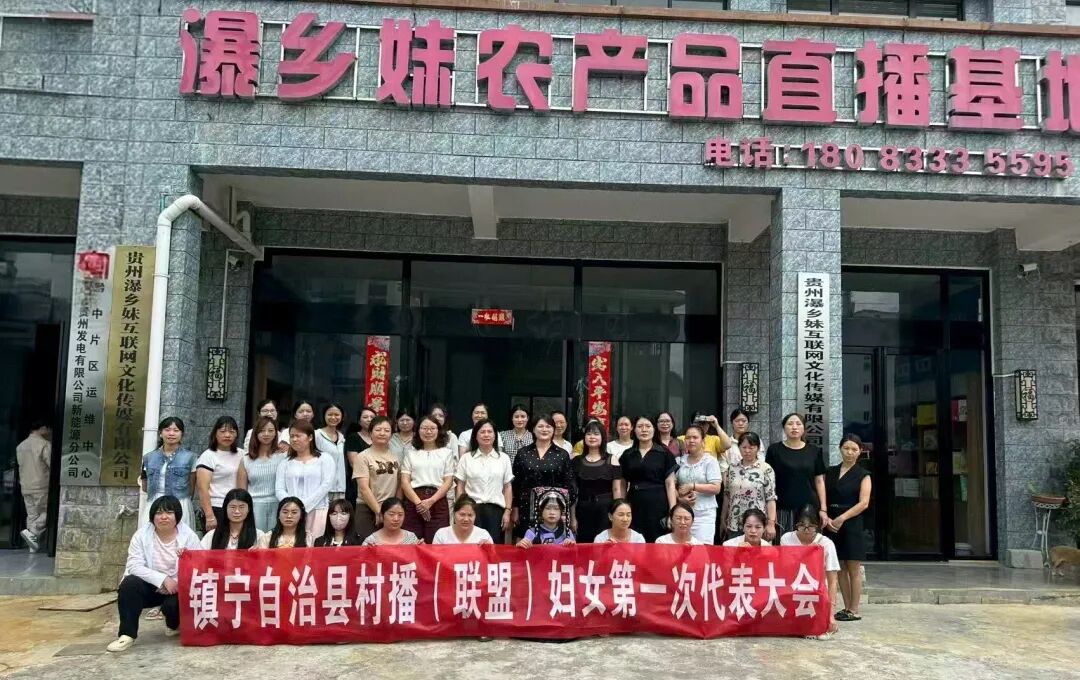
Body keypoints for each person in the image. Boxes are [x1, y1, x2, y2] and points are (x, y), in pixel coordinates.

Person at [106, 495, 202, 652]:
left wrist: (176, 583)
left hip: (177, 588)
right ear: (152, 517)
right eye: (159, 513)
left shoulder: (189, 536)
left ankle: (174, 625)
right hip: (150, 586)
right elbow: (134, 565)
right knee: (129, 585)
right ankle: (126, 635)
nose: (164, 517)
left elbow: (199, 565)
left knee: (172, 606)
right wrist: (163, 580)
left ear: (177, 515)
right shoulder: (141, 535)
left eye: (169, 512)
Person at [826, 433, 872, 623]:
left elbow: (864, 503)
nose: (850, 452)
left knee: (853, 567)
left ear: (860, 451)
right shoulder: (830, 472)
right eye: (846, 448)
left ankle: (854, 609)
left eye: (854, 449)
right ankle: (846, 607)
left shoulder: (863, 474)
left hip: (851, 522)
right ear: (840, 449)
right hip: (832, 523)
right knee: (840, 567)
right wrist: (828, 518)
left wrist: (842, 518)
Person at [511, 414, 576, 541]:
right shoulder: (523, 453)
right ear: (533, 429)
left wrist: (563, 509)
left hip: (553, 510)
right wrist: (515, 508)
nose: (544, 429)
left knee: (552, 546)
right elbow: (516, 483)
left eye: (548, 426)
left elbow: (570, 485)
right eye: (540, 426)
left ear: (553, 429)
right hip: (526, 509)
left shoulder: (562, 455)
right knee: (526, 545)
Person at [780, 504, 840, 634]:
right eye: (802, 525)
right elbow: (785, 569)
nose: (806, 530)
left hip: (817, 592)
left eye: (811, 526)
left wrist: (831, 614)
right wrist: (807, 553)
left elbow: (832, 581)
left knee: (818, 628)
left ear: (817, 526)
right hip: (793, 589)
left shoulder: (826, 544)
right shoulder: (786, 539)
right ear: (796, 524)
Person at [618, 415, 677, 543]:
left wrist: (672, 512)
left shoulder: (664, 453)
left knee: (657, 542)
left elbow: (670, 484)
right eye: (640, 426)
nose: (644, 430)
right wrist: (620, 507)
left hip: (658, 503)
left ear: (654, 429)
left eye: (648, 426)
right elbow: (622, 483)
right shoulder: (627, 455)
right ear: (634, 430)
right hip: (634, 503)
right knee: (634, 542)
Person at [766, 413, 828, 533]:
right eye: (790, 424)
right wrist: (771, 514)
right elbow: (769, 482)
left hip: (809, 507)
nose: (794, 427)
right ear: (784, 428)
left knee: (809, 542)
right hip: (783, 507)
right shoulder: (774, 450)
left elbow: (819, 481)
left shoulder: (814, 451)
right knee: (785, 542)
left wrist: (823, 509)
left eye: (798, 424)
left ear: (804, 428)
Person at [454, 419, 513, 543]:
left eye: (490, 432)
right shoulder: (466, 458)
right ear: (475, 436)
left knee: (494, 548)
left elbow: (507, 487)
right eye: (482, 432)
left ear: (495, 436)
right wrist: (460, 509)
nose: (486, 435)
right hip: (472, 510)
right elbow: (460, 486)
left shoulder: (503, 458)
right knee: (472, 547)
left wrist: (507, 511)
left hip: (496, 511)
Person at [275, 419, 336, 537]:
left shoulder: (324, 458)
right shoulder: (285, 463)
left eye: (298, 436)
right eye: (292, 436)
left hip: (318, 511)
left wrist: (303, 506)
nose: (294, 439)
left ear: (310, 437)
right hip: (291, 514)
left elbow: (326, 485)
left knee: (315, 544)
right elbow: (279, 489)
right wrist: (293, 506)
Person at [401, 415, 455, 544]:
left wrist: (431, 501)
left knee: (437, 541)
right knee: (412, 541)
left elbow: (448, 481)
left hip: (438, 500)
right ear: (418, 431)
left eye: (432, 428)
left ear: (439, 430)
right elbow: (404, 482)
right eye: (424, 428)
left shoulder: (446, 453)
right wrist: (419, 504)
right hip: (414, 500)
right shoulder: (411, 453)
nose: (428, 432)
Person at [139, 417, 196, 532]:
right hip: (154, 503)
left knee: (180, 536)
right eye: (167, 430)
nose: (171, 433)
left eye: (176, 430)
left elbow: (192, 485)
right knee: (151, 535)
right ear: (160, 433)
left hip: (180, 502)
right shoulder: (149, 457)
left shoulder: (190, 457)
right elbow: (145, 485)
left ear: (182, 434)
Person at [720, 432, 778, 541]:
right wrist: (723, 519)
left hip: (757, 524)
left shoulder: (765, 469)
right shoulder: (732, 468)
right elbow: (727, 495)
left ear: (758, 448)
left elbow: (770, 498)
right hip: (735, 523)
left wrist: (771, 523)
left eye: (751, 448)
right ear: (739, 448)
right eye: (744, 447)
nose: (747, 451)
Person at [571, 420, 622, 543]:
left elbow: (616, 490)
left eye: (596, 434)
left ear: (602, 437)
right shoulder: (576, 461)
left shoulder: (612, 459)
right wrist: (573, 518)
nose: (592, 437)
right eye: (588, 434)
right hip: (583, 509)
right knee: (584, 545)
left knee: (605, 545)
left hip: (605, 510)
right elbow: (573, 492)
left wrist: (617, 515)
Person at [353, 415, 401, 542]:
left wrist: (395, 507)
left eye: (386, 430)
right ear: (370, 433)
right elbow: (364, 488)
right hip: (367, 508)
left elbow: (399, 485)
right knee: (367, 546)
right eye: (378, 430)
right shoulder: (362, 457)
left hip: (389, 509)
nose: (382, 433)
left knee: (389, 547)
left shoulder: (395, 457)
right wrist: (378, 511)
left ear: (391, 435)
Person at [675, 424, 722, 544]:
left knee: (702, 549)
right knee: (682, 549)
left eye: (695, 437)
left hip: (704, 514)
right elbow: (671, 486)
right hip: (682, 513)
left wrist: (693, 486)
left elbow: (716, 488)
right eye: (688, 438)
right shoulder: (679, 461)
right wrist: (680, 498)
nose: (691, 440)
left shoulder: (710, 461)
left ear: (703, 441)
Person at [196, 415, 243, 532]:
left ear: (236, 434)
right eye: (222, 431)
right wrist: (209, 516)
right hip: (216, 507)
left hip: (237, 507)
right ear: (215, 434)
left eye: (232, 432)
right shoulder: (208, 456)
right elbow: (202, 488)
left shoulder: (242, 454)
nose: (227, 435)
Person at [236, 416, 285, 533]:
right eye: (262, 430)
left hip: (278, 504)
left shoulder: (283, 457)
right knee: (255, 539)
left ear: (276, 433)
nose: (266, 434)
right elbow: (242, 491)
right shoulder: (246, 460)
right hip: (254, 506)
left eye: (270, 430)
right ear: (256, 433)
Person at [16, 421, 51, 552]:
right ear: (42, 428)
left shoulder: (21, 446)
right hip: (41, 485)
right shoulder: (44, 444)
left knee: (32, 515)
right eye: (48, 428)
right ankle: (33, 532)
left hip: (25, 485)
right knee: (49, 511)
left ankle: (33, 547)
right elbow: (51, 465)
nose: (49, 431)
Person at [344, 405, 376, 506]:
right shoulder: (353, 437)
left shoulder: (379, 438)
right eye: (365, 417)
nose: (369, 419)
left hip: (378, 483)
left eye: (372, 417)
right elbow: (354, 463)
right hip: (358, 483)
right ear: (359, 421)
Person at [315, 403, 347, 501]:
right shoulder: (317, 435)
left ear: (342, 417)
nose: (333, 417)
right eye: (329, 414)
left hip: (340, 488)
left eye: (337, 415)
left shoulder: (342, 437)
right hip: (322, 487)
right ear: (324, 416)